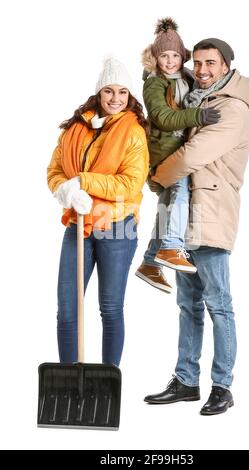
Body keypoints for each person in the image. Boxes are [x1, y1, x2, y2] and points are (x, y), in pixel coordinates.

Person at [144, 38, 249, 414]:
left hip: (210, 214)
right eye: (198, 63)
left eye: (211, 63)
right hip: (185, 213)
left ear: (226, 66)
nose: (203, 70)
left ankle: (222, 387)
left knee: (218, 305)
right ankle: (186, 380)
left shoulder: (233, 109)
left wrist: (157, 175)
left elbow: (193, 154)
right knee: (187, 305)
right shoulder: (199, 99)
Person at [47, 57, 149, 367]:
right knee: (67, 309)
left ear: (129, 95)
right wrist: (65, 190)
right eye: (109, 91)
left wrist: (84, 181)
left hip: (117, 228)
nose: (115, 99)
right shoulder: (76, 128)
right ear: (99, 93)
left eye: (122, 92)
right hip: (78, 224)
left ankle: (108, 379)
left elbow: (131, 183)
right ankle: (67, 380)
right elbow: (54, 170)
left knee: (110, 307)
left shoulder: (133, 132)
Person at [135, 18, 220, 293]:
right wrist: (197, 115)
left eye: (174, 55)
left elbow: (206, 88)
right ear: (156, 58)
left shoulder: (186, 77)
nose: (170, 61)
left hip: (180, 146)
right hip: (164, 150)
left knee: (168, 207)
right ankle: (171, 246)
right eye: (164, 56)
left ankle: (150, 263)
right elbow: (162, 117)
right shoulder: (155, 83)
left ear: (181, 55)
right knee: (181, 191)